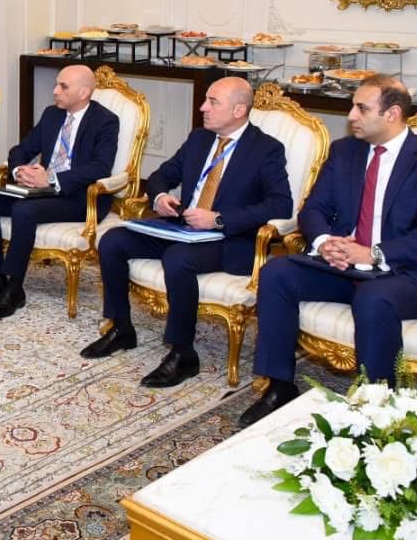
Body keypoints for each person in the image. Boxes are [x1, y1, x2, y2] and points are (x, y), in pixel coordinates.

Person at [240, 76, 417, 426]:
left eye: (362, 108)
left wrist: (372, 253)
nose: (351, 115)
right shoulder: (346, 151)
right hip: (345, 264)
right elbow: (313, 210)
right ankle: (278, 386)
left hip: (409, 272)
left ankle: (377, 409)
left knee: (374, 298)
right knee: (277, 272)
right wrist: (325, 242)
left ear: (392, 114)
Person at [82, 77, 293, 388]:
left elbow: (280, 204)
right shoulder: (199, 139)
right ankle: (120, 327)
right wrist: (160, 197)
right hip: (183, 229)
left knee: (178, 257)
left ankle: (183, 353)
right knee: (113, 239)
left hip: (228, 240)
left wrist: (219, 219)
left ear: (238, 110)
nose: (203, 107)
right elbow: (161, 175)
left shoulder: (265, 149)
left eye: (213, 102)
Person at [0, 65, 119, 319]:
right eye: (56, 85)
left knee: (23, 211)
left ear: (84, 92)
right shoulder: (52, 114)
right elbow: (21, 149)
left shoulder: (105, 121)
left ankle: (15, 288)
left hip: (79, 196)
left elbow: (100, 167)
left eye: (63, 86)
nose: (55, 91)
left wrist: (50, 178)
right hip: (41, 190)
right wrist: (20, 171)